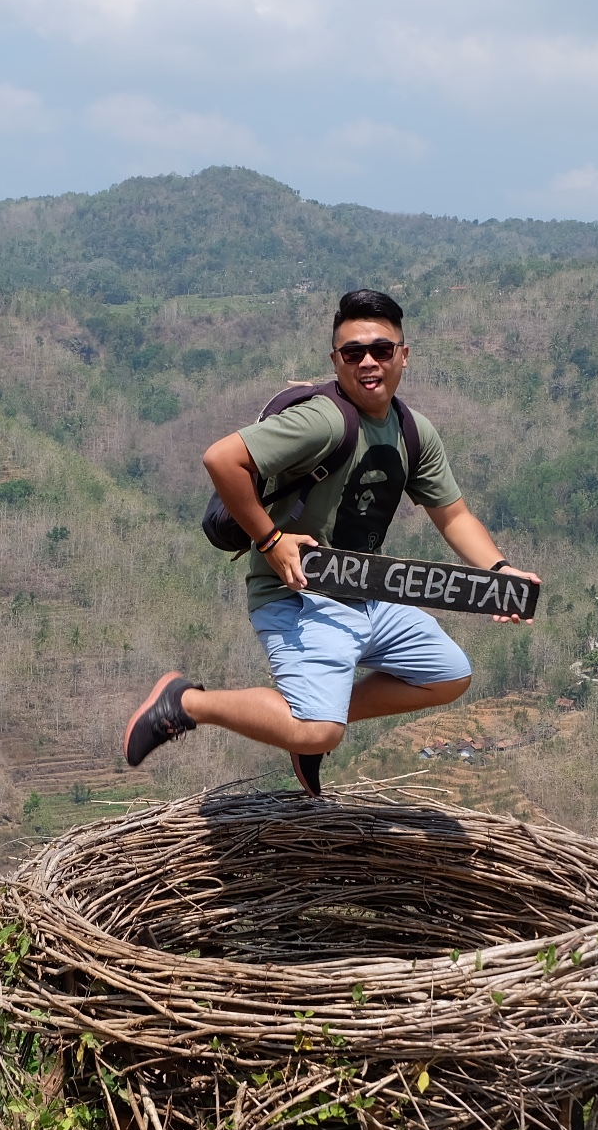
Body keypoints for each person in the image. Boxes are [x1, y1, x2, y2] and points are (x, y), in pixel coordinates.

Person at [123, 288, 537, 795]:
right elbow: (221, 459)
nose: (368, 362)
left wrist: (498, 571)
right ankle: (186, 702)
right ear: (335, 361)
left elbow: (453, 516)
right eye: (353, 353)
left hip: (365, 593)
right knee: (321, 730)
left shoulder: (412, 431)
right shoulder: (322, 420)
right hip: (299, 597)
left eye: (381, 350)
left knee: (448, 674)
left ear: (403, 355)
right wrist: (270, 539)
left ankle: (310, 725)